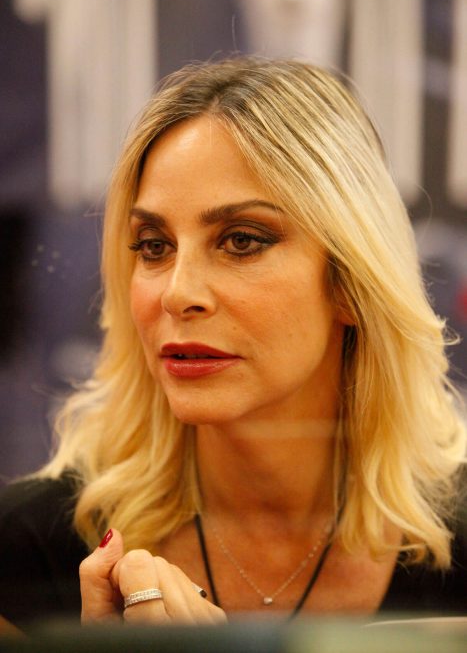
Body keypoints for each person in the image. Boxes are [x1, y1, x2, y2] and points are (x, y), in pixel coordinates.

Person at [0, 57, 466, 630]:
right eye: (153, 245)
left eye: (241, 240)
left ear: (350, 281)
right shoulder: (25, 555)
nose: (178, 293)